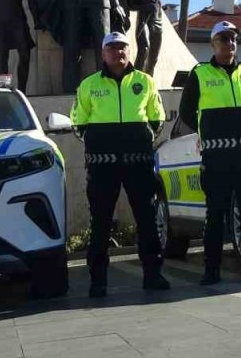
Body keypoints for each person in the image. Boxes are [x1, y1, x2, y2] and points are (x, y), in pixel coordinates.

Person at [71, 32, 170, 298]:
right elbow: (78, 122)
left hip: (139, 165)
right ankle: (98, 281)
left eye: (123, 47)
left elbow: (157, 119)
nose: (118, 52)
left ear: (130, 51)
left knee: (147, 220)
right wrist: (98, 146)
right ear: (103, 54)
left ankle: (153, 275)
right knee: (100, 222)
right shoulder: (89, 85)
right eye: (112, 48)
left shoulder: (145, 81)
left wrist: (142, 142)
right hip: (103, 167)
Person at [178, 21, 241, 283]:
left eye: (232, 39)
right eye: (223, 39)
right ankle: (212, 270)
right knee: (216, 215)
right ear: (212, 44)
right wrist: (207, 131)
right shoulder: (200, 73)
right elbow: (187, 111)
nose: (229, 43)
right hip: (216, 158)